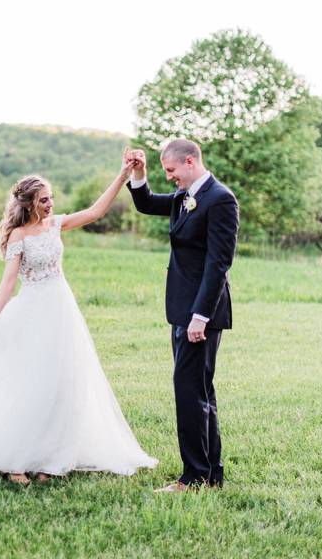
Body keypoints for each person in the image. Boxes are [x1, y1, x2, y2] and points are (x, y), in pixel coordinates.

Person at [0, 160, 157, 485]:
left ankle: (51, 459)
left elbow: (96, 211)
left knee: (62, 383)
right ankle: (12, 459)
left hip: (62, 311)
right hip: (32, 311)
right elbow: (8, 282)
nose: (50, 203)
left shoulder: (55, 225)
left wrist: (123, 175)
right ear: (28, 203)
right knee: (28, 383)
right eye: (44, 199)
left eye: (51, 197)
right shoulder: (18, 235)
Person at [126, 140, 239, 492]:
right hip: (182, 310)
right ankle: (210, 475)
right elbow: (145, 203)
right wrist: (139, 173)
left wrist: (200, 316)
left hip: (200, 314)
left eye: (172, 171)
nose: (170, 178)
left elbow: (218, 263)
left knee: (190, 393)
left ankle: (193, 478)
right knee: (199, 392)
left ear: (190, 162)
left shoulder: (220, 198)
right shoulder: (185, 196)